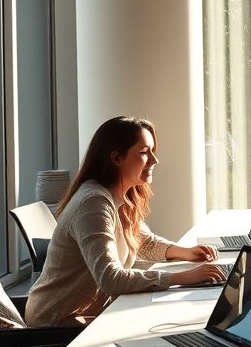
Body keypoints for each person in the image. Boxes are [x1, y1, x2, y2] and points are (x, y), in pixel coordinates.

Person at [25, 116, 225, 328]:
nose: (154, 161)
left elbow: (144, 243)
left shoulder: (120, 197)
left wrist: (186, 252)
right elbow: (111, 279)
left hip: (86, 314)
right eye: (144, 152)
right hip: (55, 321)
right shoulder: (93, 203)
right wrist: (183, 277)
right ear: (116, 158)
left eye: (152, 151)